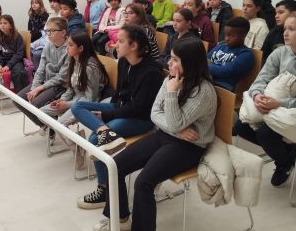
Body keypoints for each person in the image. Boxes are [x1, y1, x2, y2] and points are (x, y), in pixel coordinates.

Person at [92, 37, 217, 231]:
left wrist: (171, 94)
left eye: (175, 60)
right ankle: (121, 219)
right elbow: (154, 114)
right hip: (166, 136)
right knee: (115, 167)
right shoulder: (171, 79)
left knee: (143, 183)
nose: (169, 63)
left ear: (190, 62)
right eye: (171, 58)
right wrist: (176, 127)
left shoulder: (203, 91)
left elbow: (174, 121)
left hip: (189, 146)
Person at [233, 13, 296, 187]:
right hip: (277, 103)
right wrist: (257, 96)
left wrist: (278, 104)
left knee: (265, 134)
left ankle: (283, 164)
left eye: (291, 29)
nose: (285, 33)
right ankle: (291, 151)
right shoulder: (280, 52)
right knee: (241, 126)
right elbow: (261, 79)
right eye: (285, 28)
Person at [71, 25, 163, 210]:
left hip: (141, 119)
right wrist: (107, 113)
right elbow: (119, 94)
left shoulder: (152, 71)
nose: (115, 44)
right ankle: (104, 130)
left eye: (120, 41)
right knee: (77, 106)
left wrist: (107, 113)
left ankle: (104, 191)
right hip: (121, 108)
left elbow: (138, 107)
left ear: (134, 45)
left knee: (95, 140)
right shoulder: (123, 61)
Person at [39, 32, 109, 167]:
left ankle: (78, 148)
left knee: (60, 125)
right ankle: (77, 143)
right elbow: (70, 89)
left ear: (81, 48)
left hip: (85, 104)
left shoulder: (90, 67)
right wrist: (61, 100)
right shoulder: (74, 61)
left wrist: (68, 104)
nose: (67, 48)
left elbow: (91, 98)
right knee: (42, 113)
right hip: (74, 100)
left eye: (70, 45)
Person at [14, 17, 69, 136]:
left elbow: (61, 78)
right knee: (18, 99)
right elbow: (40, 69)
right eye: (47, 31)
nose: (48, 34)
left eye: (52, 31)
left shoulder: (69, 48)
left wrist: (39, 88)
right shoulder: (48, 45)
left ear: (63, 33)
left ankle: (50, 126)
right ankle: (46, 126)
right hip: (45, 83)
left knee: (35, 104)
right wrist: (34, 87)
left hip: (60, 86)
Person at [208, 17, 254, 92]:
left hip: (222, 88)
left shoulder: (246, 55)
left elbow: (225, 71)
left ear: (243, 35)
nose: (226, 38)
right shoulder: (221, 46)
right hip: (208, 80)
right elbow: (205, 60)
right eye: (225, 35)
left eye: (231, 36)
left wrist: (206, 67)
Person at [261, 0, 296, 64]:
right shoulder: (273, 33)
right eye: (276, 13)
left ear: (293, 14)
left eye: (281, 12)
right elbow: (264, 57)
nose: (276, 16)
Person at [31, 0, 64, 68]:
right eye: (50, 1)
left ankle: (40, 75)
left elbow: (55, 34)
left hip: (54, 41)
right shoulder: (51, 15)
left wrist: (40, 43)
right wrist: (38, 41)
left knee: (37, 54)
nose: (52, 4)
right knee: (28, 47)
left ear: (60, 3)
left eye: (54, 2)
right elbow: (45, 31)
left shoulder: (62, 16)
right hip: (46, 38)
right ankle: (36, 73)